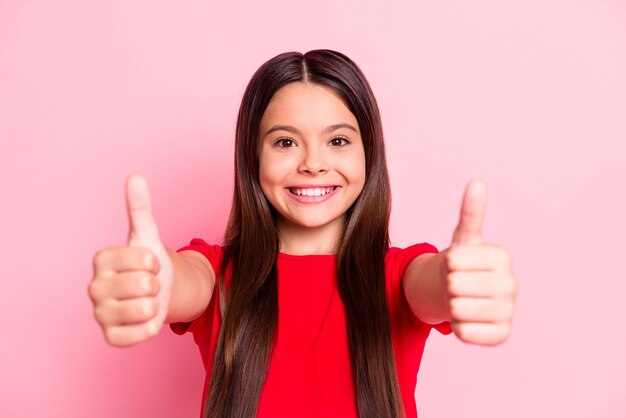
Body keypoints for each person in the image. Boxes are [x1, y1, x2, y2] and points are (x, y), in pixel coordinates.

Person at [88, 50, 517, 418]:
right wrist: (151, 283)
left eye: (338, 141)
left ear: (369, 153)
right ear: (252, 157)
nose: (313, 163)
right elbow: (183, 280)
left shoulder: (400, 276)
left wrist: (457, 281)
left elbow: (434, 284)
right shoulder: (219, 275)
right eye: (285, 143)